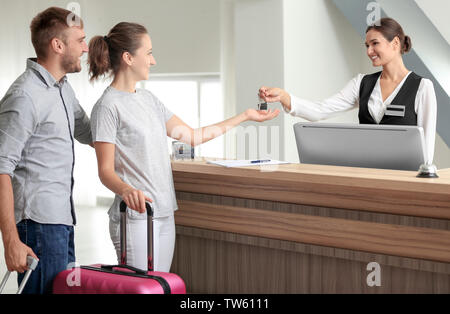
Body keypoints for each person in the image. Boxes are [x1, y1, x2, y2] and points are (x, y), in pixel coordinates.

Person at [88, 22, 280, 272]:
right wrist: (126, 189)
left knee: (160, 286)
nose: (153, 60)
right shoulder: (107, 107)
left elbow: (192, 136)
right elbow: (105, 171)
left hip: (165, 212)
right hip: (136, 217)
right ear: (128, 58)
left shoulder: (148, 99)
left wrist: (244, 116)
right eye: (148, 53)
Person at [0, 7, 92, 294]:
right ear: (58, 45)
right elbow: (1, 168)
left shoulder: (63, 89)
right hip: (37, 226)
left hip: (63, 222)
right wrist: (11, 241)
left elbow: (90, 133)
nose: (85, 48)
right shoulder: (25, 95)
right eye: (80, 40)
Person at [259, 17, 437, 164]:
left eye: (375, 43)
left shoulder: (422, 87)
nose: (369, 51)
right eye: (367, 45)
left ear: (395, 43)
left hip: (404, 178)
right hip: (366, 173)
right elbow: (321, 110)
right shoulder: (362, 83)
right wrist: (284, 97)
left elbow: (427, 147)